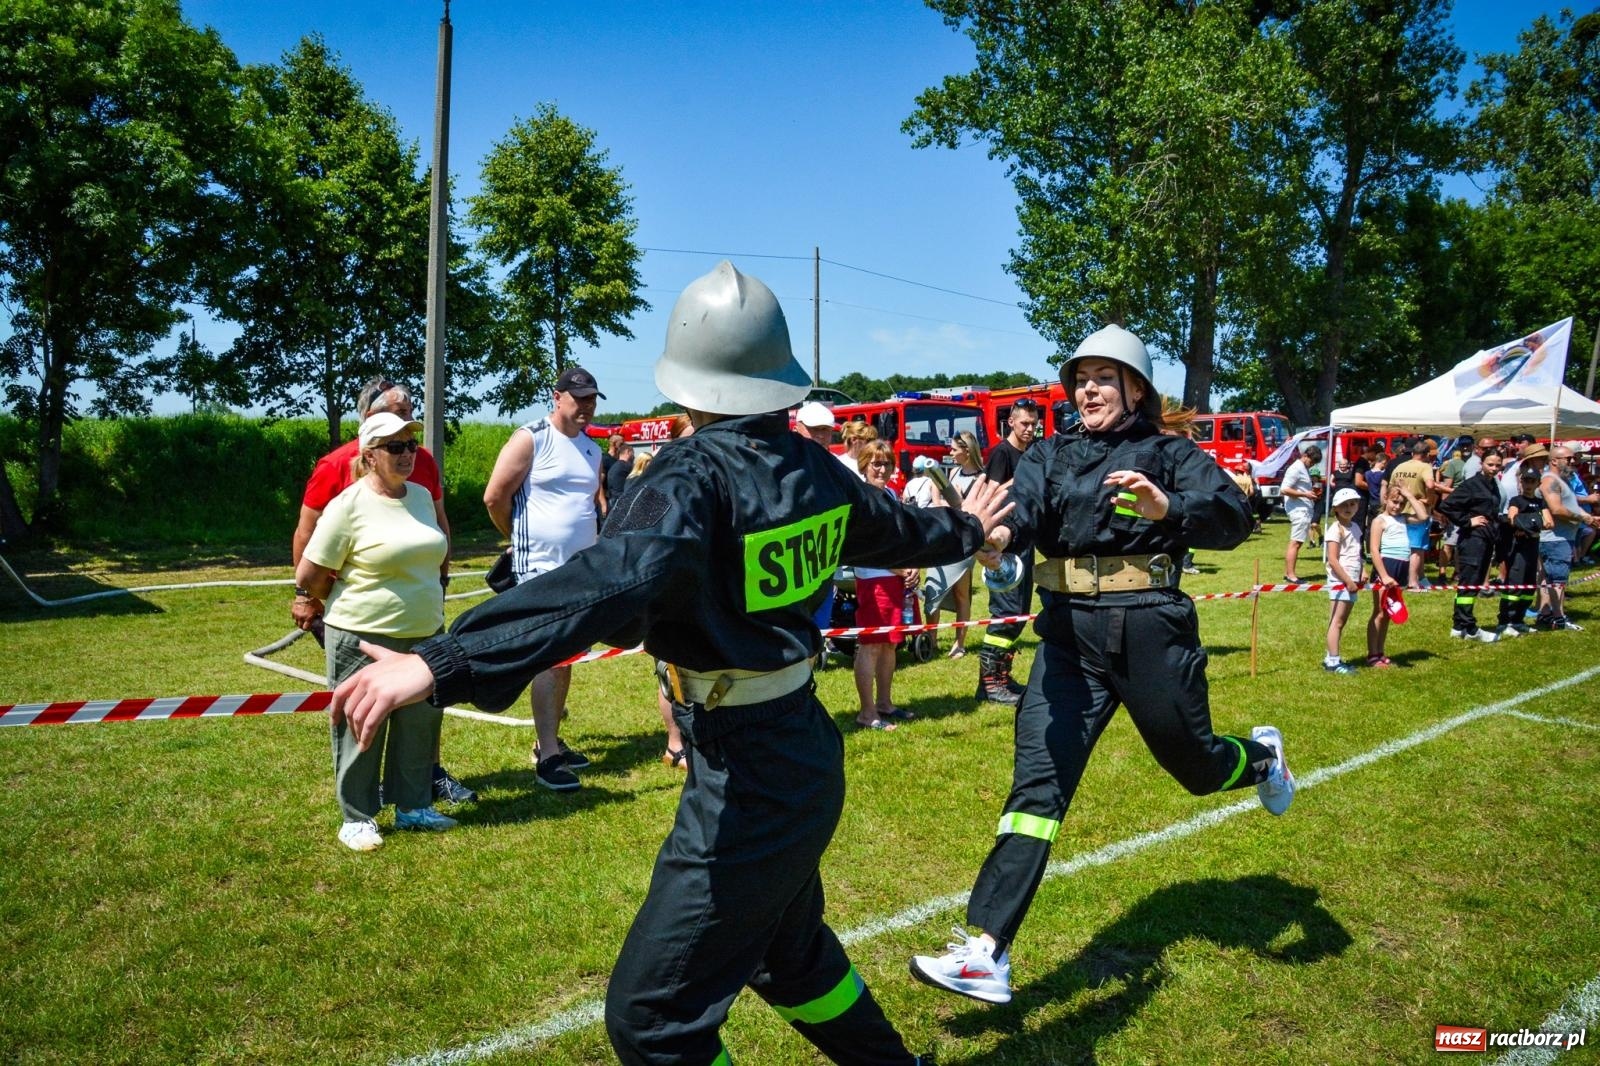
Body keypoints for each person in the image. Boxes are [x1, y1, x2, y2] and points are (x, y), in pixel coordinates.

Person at [329, 261, 1010, 1066]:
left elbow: (602, 584)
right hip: (798, 748)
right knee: (784, 951)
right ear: (778, 381)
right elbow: (899, 530)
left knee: (653, 1021)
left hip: (750, 773)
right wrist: (967, 530)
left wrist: (438, 662)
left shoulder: (690, 477)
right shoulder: (814, 466)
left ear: (686, 378)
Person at [907, 324, 1292, 1007]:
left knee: (1196, 768)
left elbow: (1235, 515)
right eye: (1080, 377)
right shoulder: (1050, 452)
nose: (1088, 387)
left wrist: (1168, 505)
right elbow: (1021, 516)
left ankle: (1261, 761)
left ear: (1135, 387)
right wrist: (993, 535)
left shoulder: (1171, 452)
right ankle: (987, 950)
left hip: (1150, 626)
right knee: (1036, 789)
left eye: (1104, 376)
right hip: (1065, 639)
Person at [289, 377, 473, 805]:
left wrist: (438, 580)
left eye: (410, 439)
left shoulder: (422, 487)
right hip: (363, 629)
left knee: (420, 720)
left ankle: (415, 803)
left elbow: (438, 531)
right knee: (362, 720)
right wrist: (307, 599)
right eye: (396, 444)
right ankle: (358, 813)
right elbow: (310, 547)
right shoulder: (341, 484)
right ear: (369, 451)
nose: (409, 450)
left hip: (424, 625)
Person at [482, 364, 607, 791]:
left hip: (581, 573)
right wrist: (518, 538)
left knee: (568, 657)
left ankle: (548, 741)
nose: (586, 407)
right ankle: (549, 756)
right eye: (579, 399)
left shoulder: (592, 450)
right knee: (550, 661)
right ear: (558, 398)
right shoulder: (530, 437)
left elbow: (590, 504)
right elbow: (494, 497)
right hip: (539, 570)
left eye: (592, 399)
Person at [975, 395, 1042, 704]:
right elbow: (990, 493)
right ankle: (990, 685)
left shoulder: (1031, 454)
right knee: (1005, 612)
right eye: (1024, 423)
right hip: (1003, 545)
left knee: (1017, 615)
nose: (1029, 429)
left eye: (1034, 423)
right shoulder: (1002, 453)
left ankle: (998, 677)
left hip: (1024, 541)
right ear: (1011, 422)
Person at [852, 441, 917, 730]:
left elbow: (900, 538)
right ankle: (867, 713)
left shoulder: (891, 494)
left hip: (895, 580)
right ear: (864, 465)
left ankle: (885, 703)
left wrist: (911, 566)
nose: (882, 469)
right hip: (873, 580)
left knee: (891, 645)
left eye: (887, 463)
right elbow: (864, 548)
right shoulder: (861, 498)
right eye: (876, 463)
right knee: (872, 646)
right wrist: (899, 568)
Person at [1437, 449, 1506, 642]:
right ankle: (1470, 627)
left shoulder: (1492, 485)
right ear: (1481, 464)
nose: (1493, 468)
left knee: (1472, 584)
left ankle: (1459, 626)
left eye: (1497, 465)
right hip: (1472, 540)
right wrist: (1468, 521)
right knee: (1469, 584)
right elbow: (1447, 506)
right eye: (1490, 464)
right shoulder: (1472, 485)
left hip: (1486, 539)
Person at [1536, 445, 1599, 630]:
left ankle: (1546, 615)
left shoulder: (1564, 480)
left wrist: (1589, 519)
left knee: (1550, 579)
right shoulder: (1550, 481)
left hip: (1562, 538)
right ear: (1554, 460)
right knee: (1558, 579)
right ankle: (1559, 617)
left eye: (1573, 458)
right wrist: (1583, 517)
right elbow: (1556, 509)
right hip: (1555, 539)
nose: (1573, 462)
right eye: (1568, 459)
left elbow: (1570, 505)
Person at [1366, 482, 1421, 668]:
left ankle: (1380, 651)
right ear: (1386, 499)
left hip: (1401, 566)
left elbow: (1423, 516)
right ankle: (1372, 654)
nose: (1397, 506)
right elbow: (1373, 549)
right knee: (1380, 612)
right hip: (1386, 566)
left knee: (1389, 612)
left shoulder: (1404, 518)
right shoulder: (1379, 520)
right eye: (1394, 502)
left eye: (1401, 503)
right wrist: (1383, 575)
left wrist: (1410, 495)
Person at [1497, 464, 1547, 635]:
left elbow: (1548, 522)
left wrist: (1527, 523)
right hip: (1518, 549)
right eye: (1525, 480)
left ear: (1538, 483)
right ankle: (1505, 621)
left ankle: (1518, 619)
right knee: (1514, 585)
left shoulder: (1540, 502)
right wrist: (1533, 523)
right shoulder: (1516, 500)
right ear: (1521, 481)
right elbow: (1512, 518)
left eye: (1532, 481)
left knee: (1529, 587)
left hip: (1533, 548)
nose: (1528, 484)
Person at [1322, 487, 1365, 674]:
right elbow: (1333, 559)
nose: (1349, 507)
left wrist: (1363, 570)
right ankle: (1333, 661)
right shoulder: (1335, 530)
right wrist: (1347, 580)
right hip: (1341, 581)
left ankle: (1330, 655)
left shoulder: (1354, 527)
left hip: (1352, 580)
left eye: (1352, 504)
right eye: (1344, 505)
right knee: (1337, 622)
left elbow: (1356, 553)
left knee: (1339, 621)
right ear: (1336, 508)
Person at [1388, 441, 1435, 588]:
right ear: (1426, 454)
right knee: (1416, 548)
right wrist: (1429, 499)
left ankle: (1420, 578)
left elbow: (1391, 487)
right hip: (1417, 511)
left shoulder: (1399, 466)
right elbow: (1430, 485)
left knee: (1405, 546)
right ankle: (1413, 582)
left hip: (1399, 511)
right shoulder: (1425, 467)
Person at [1280, 444, 1321, 582]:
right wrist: (1305, 494)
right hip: (1298, 511)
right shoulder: (1296, 468)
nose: (1312, 465)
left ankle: (1288, 573)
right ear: (1305, 456)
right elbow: (1284, 489)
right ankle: (1291, 575)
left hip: (1303, 509)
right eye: (1311, 462)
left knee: (1298, 542)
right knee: (1295, 543)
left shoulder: (1302, 468)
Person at [605, 436, 636, 514]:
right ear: (628, 452)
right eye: (632, 453)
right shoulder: (626, 466)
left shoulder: (615, 465)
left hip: (612, 500)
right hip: (621, 500)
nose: (633, 456)